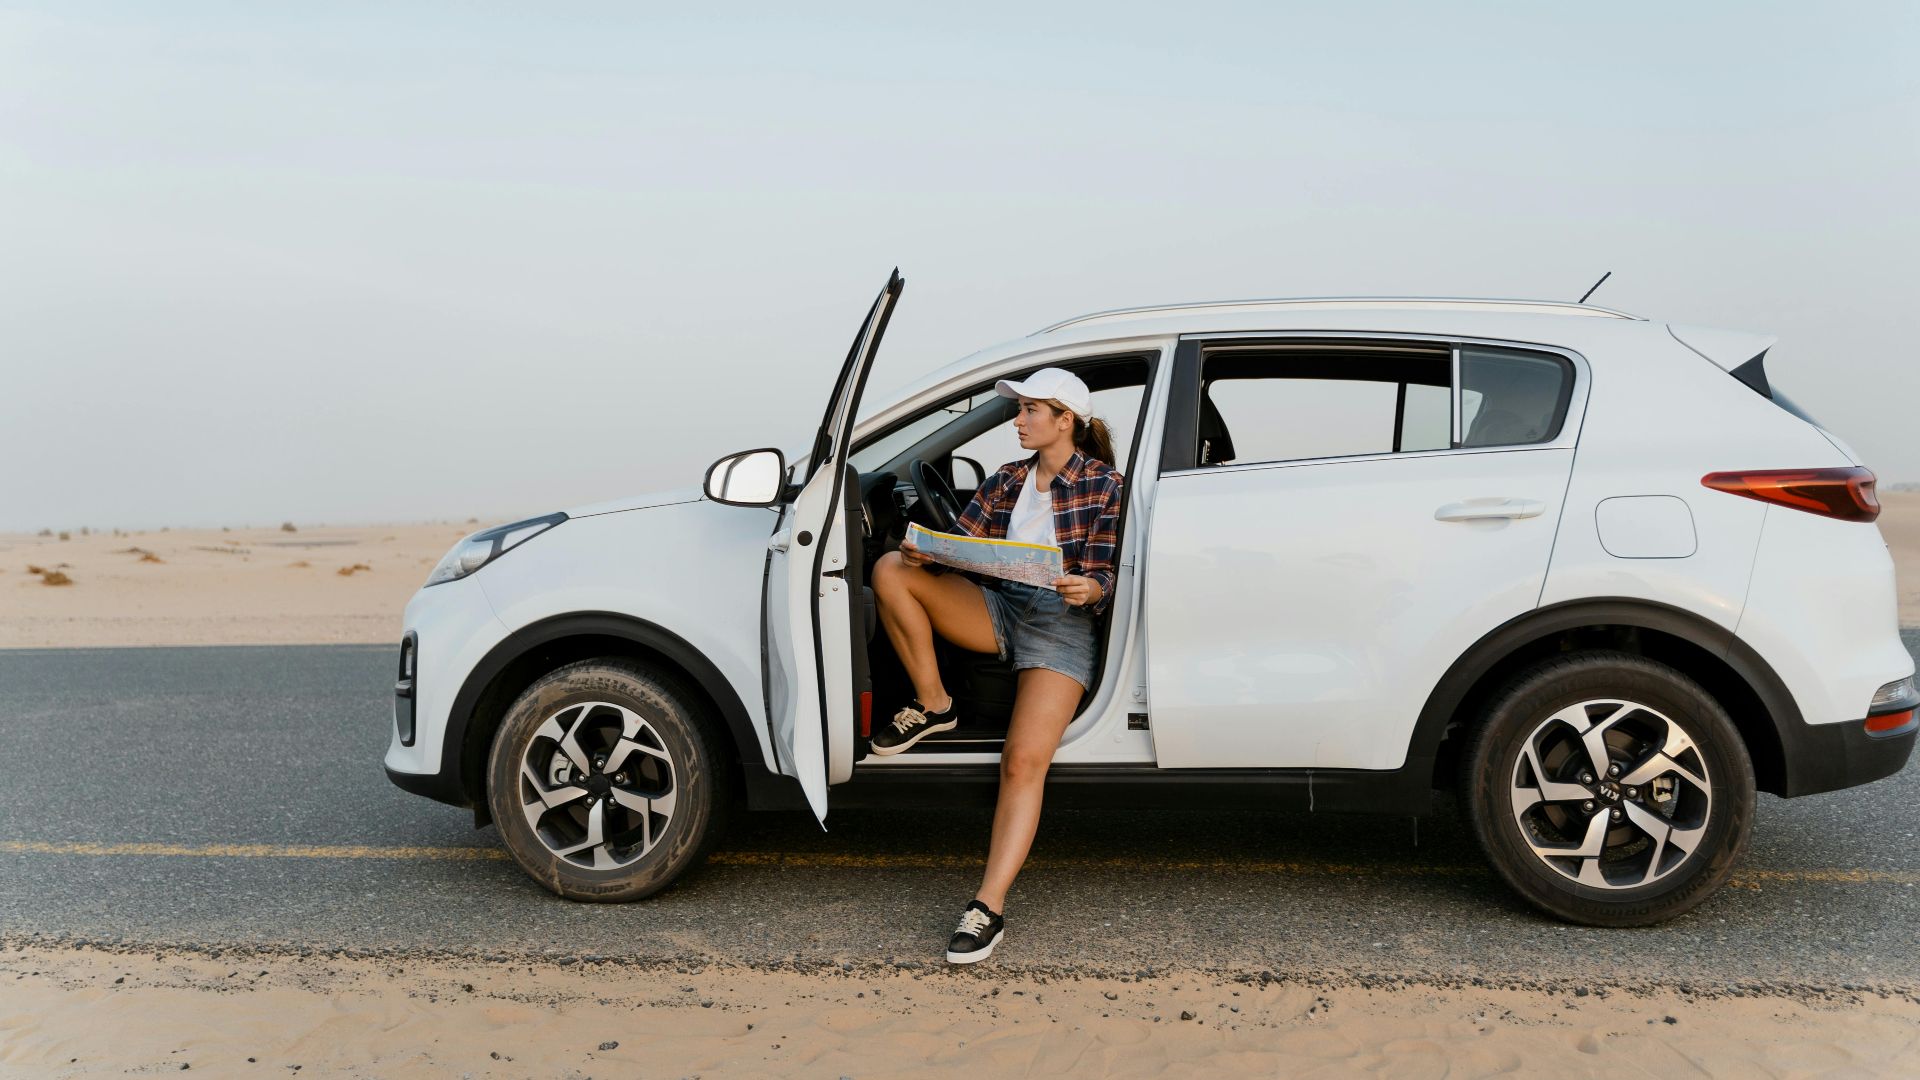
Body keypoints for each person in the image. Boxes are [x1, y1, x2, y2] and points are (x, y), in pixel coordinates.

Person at [867, 366, 1124, 964]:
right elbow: (965, 541)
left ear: (1066, 421)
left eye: (1032, 410)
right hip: (998, 606)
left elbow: (1106, 570)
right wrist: (926, 550)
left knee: (1022, 761)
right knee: (889, 571)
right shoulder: (1008, 479)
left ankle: (987, 906)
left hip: (1061, 622)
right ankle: (935, 704)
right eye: (1020, 410)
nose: (1019, 420)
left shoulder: (1104, 483)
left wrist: (1091, 590)